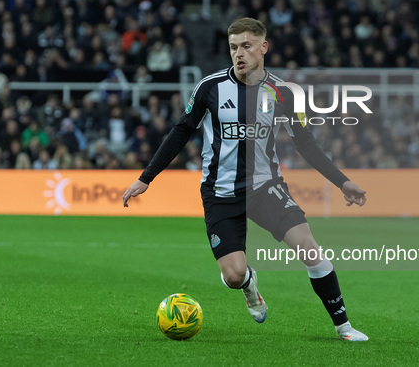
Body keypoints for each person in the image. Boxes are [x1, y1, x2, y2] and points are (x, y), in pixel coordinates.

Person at [123, 18, 369, 341]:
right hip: (220, 192)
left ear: (263, 47)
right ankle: (248, 284)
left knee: (310, 249)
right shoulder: (209, 88)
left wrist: (342, 182)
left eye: (246, 46)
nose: (239, 54)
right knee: (234, 274)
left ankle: (343, 326)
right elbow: (181, 131)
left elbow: (305, 143)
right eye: (233, 47)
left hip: (266, 187)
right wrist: (147, 177)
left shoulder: (282, 93)